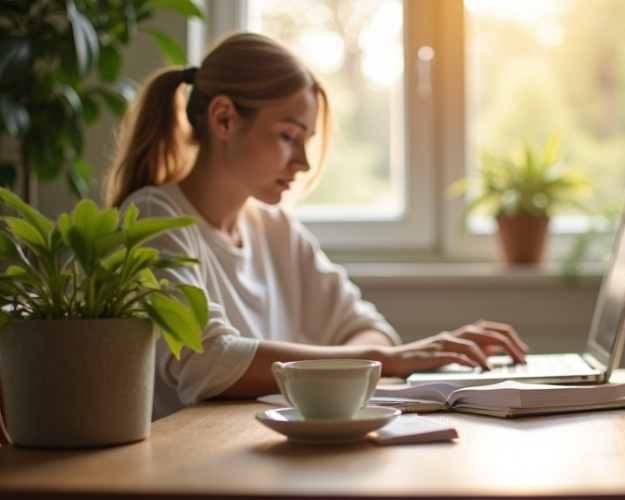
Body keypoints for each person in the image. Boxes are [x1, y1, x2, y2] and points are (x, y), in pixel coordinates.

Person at [105, 33, 529, 419]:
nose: (304, 162)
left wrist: (358, 362)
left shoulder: (275, 229)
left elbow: (369, 329)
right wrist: (383, 360)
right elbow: (208, 362)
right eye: (289, 136)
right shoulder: (153, 218)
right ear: (224, 119)